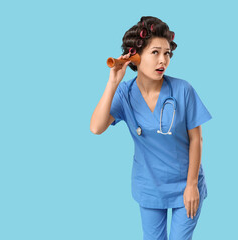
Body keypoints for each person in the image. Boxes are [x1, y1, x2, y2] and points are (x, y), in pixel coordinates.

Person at [90, 16, 212, 240]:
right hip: (149, 187)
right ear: (135, 57)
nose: (162, 60)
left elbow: (197, 139)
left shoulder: (183, 90)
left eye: (166, 53)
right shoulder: (125, 94)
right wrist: (113, 82)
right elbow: (96, 128)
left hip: (185, 185)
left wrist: (192, 185)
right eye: (155, 52)